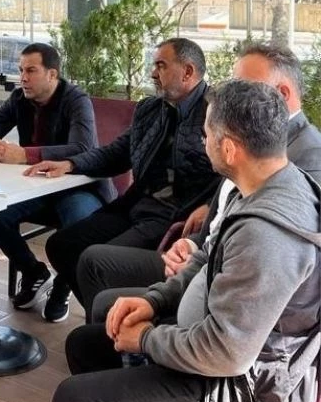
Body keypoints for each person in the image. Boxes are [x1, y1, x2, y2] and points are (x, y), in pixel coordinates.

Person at [48, 80, 321, 402]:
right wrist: (154, 302)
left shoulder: (269, 235)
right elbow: (205, 260)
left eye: (207, 133)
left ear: (230, 148)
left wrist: (147, 340)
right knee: (86, 345)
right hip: (211, 359)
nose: (201, 139)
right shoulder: (261, 184)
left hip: (237, 395)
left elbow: (225, 354)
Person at [77, 41, 321, 320]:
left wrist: (199, 266)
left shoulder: (310, 158)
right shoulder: (251, 137)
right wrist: (193, 243)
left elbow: (278, 267)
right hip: (199, 256)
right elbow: (227, 210)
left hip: (225, 295)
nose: (229, 97)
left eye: (244, 87)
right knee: (99, 293)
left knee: (96, 275)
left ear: (283, 93)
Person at [26, 37, 219, 323]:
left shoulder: (217, 113)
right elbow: (117, 153)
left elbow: (236, 173)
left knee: (96, 260)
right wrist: (71, 163)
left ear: (188, 72)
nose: (153, 73)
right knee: (61, 246)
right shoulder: (150, 109)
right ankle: (104, 321)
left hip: (174, 217)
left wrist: (210, 205)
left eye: (161, 66)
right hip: (136, 205)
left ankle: (109, 326)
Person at [0, 42, 111, 309]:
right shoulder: (19, 99)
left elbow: (82, 148)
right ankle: (33, 272)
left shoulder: (76, 100)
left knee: (79, 226)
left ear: (52, 74)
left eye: (31, 71)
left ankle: (64, 284)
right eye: (20, 70)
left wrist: (25, 154)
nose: (23, 78)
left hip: (77, 188)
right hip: (36, 186)